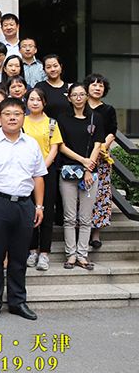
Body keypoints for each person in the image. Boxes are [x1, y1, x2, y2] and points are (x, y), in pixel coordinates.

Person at [0, 97, 47, 321]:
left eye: (17, 114)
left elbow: (38, 177)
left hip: (24, 204)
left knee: (19, 256)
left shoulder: (31, 144)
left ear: (23, 116)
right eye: (7, 114)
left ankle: (17, 301)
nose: (12, 118)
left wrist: (39, 206)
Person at [57, 83, 105, 271]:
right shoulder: (62, 118)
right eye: (74, 95)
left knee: (86, 217)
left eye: (82, 94)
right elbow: (61, 146)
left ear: (86, 97)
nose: (78, 98)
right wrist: (83, 161)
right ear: (69, 98)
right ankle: (71, 254)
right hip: (68, 171)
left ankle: (82, 255)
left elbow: (98, 144)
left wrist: (88, 168)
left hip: (90, 173)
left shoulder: (96, 118)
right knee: (69, 217)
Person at [23, 87, 63, 271]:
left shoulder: (52, 123)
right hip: (24, 172)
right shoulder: (22, 121)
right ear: (26, 102)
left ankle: (44, 253)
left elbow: (54, 148)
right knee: (29, 211)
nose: (35, 102)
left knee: (46, 213)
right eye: (31, 99)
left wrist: (41, 168)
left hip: (47, 172)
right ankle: (32, 250)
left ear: (44, 102)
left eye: (38, 99)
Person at [85, 73, 118, 248]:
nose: (97, 88)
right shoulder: (80, 106)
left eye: (101, 85)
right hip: (82, 156)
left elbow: (112, 132)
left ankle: (96, 234)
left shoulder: (108, 109)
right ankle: (81, 232)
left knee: (101, 193)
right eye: (94, 85)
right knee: (81, 193)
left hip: (102, 158)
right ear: (87, 87)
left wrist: (100, 148)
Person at [34, 54, 72, 119]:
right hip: (46, 124)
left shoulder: (70, 87)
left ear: (61, 67)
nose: (52, 69)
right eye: (48, 67)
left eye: (55, 66)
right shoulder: (40, 87)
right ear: (44, 70)